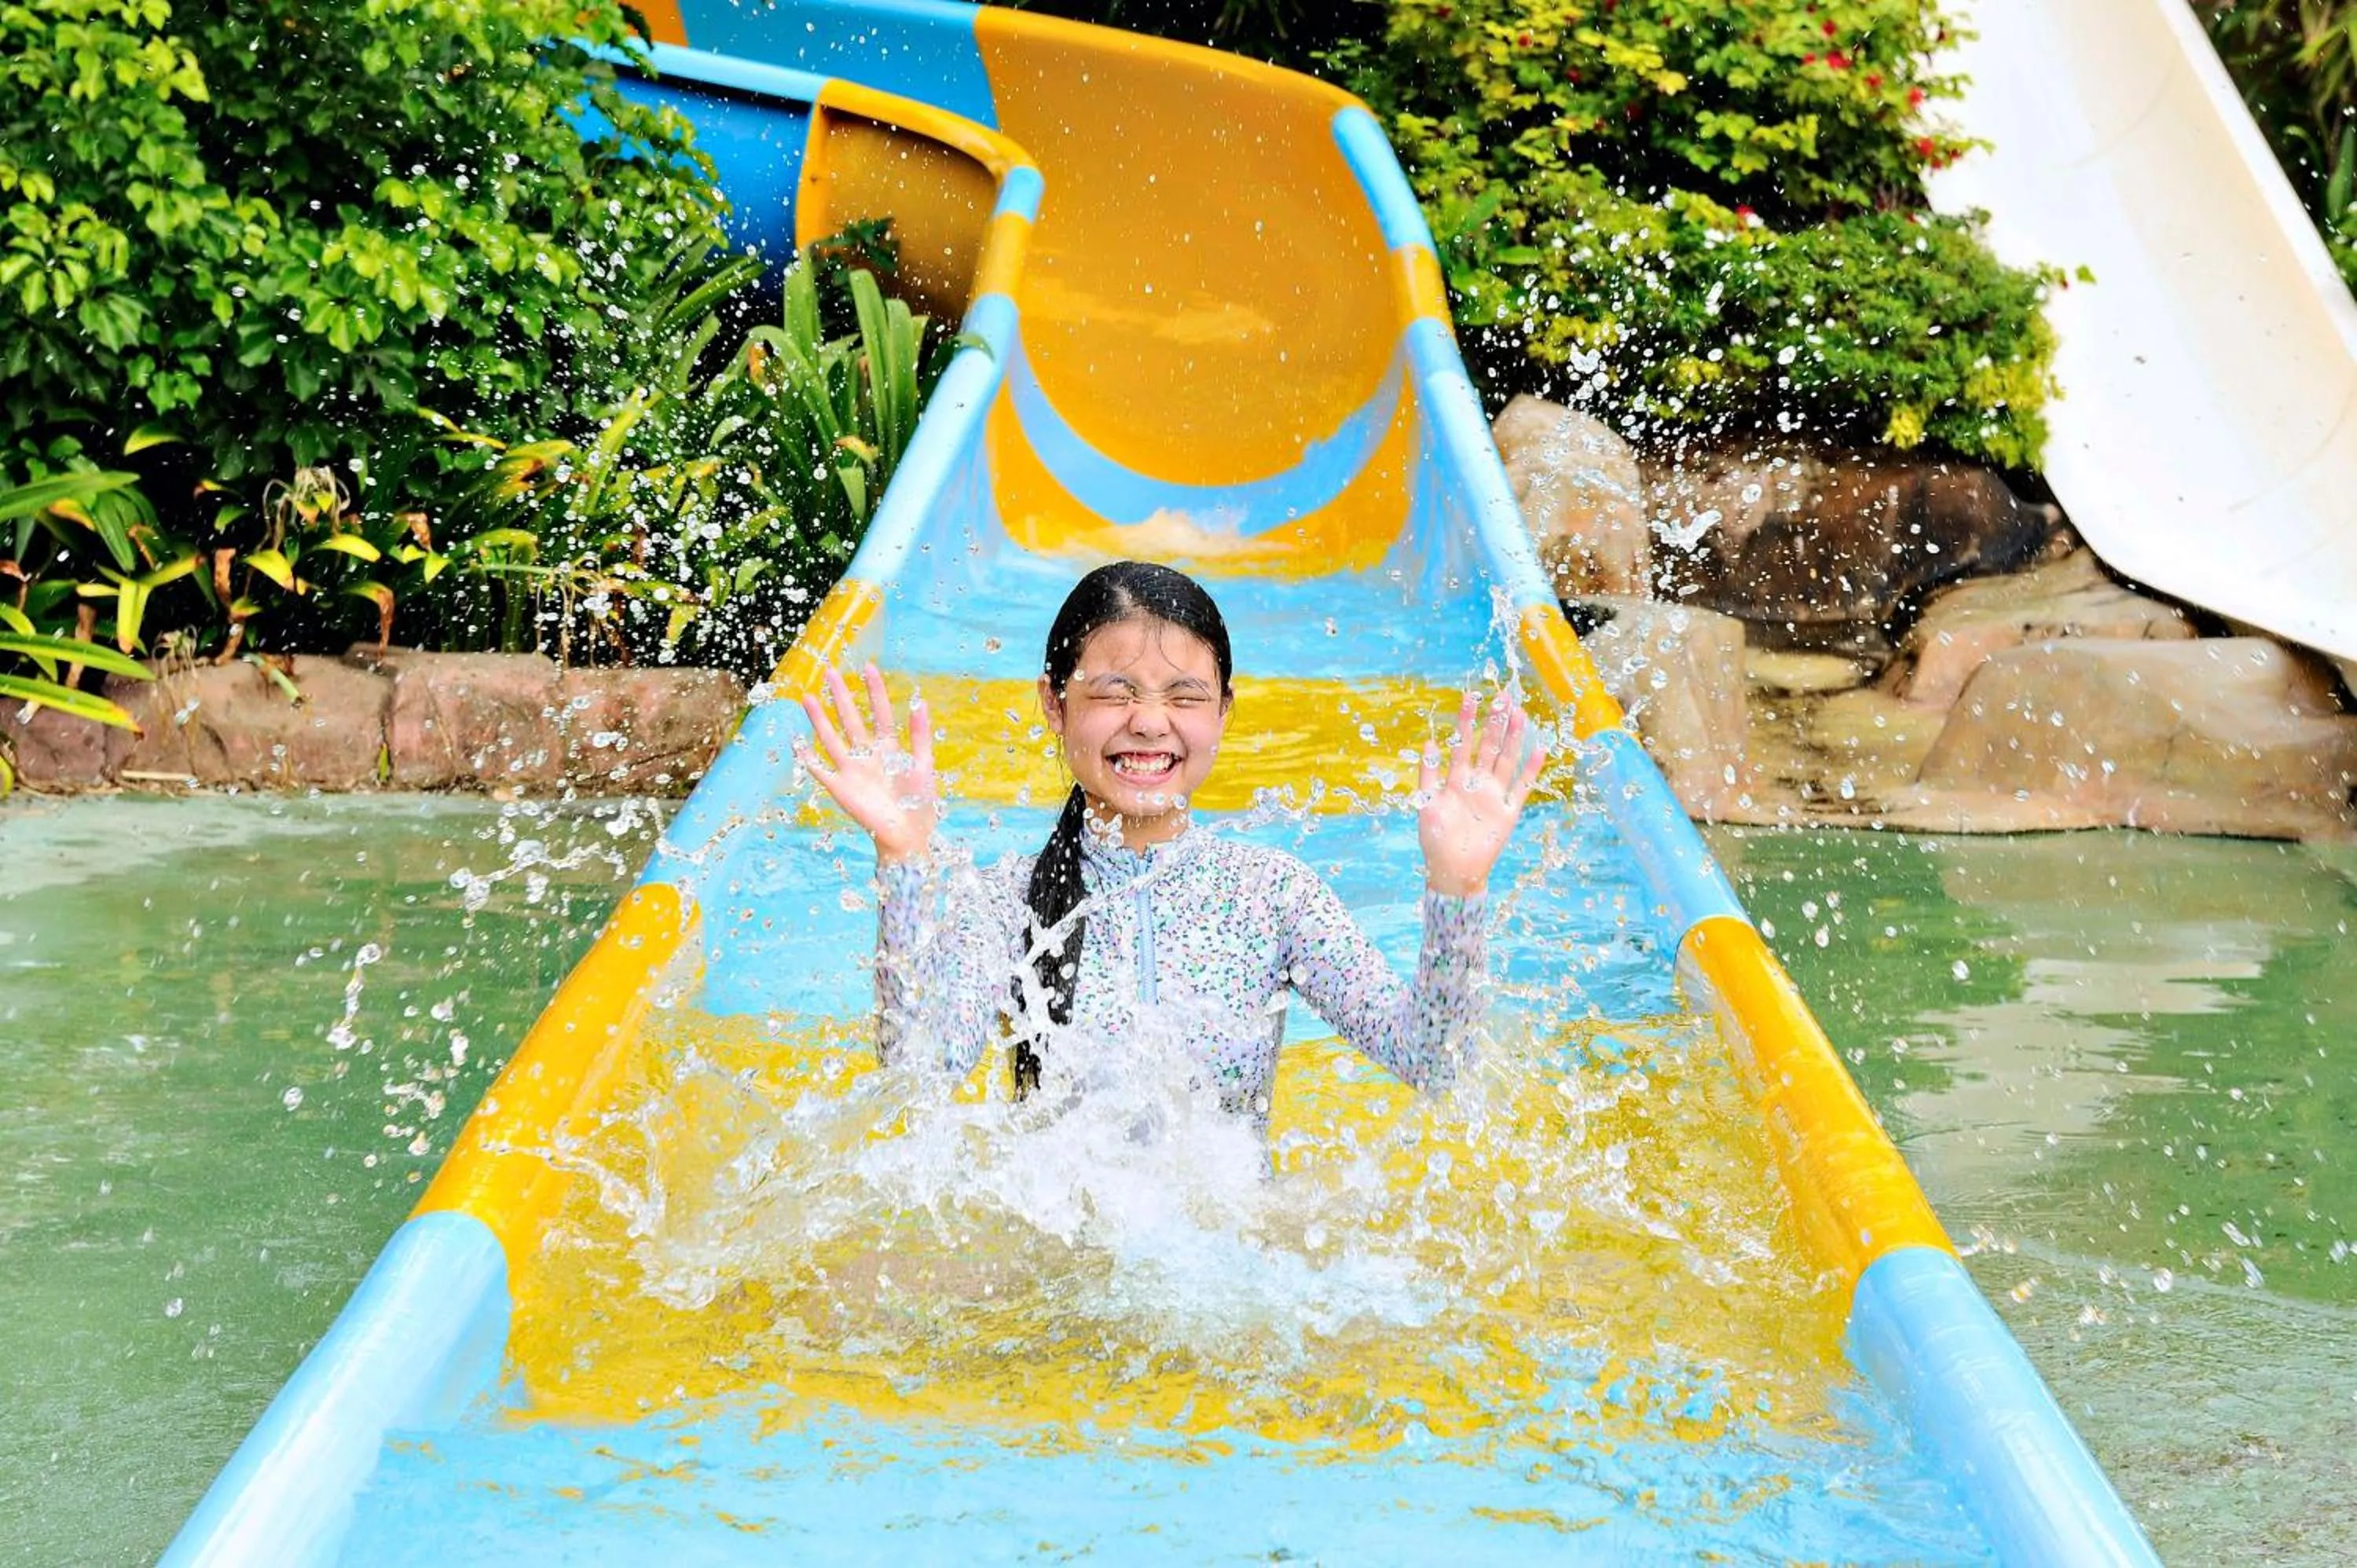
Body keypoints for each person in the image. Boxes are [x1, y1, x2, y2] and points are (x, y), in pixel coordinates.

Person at [794, 561, 1545, 1128]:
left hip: (1227, 1268)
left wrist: (1457, 890)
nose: (1150, 724)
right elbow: (915, 1078)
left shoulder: (1271, 894)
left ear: (1223, 711)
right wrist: (904, 862)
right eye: (1115, 692)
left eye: (1184, 696)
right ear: (1054, 705)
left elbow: (1435, 1065)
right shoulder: (1002, 902)